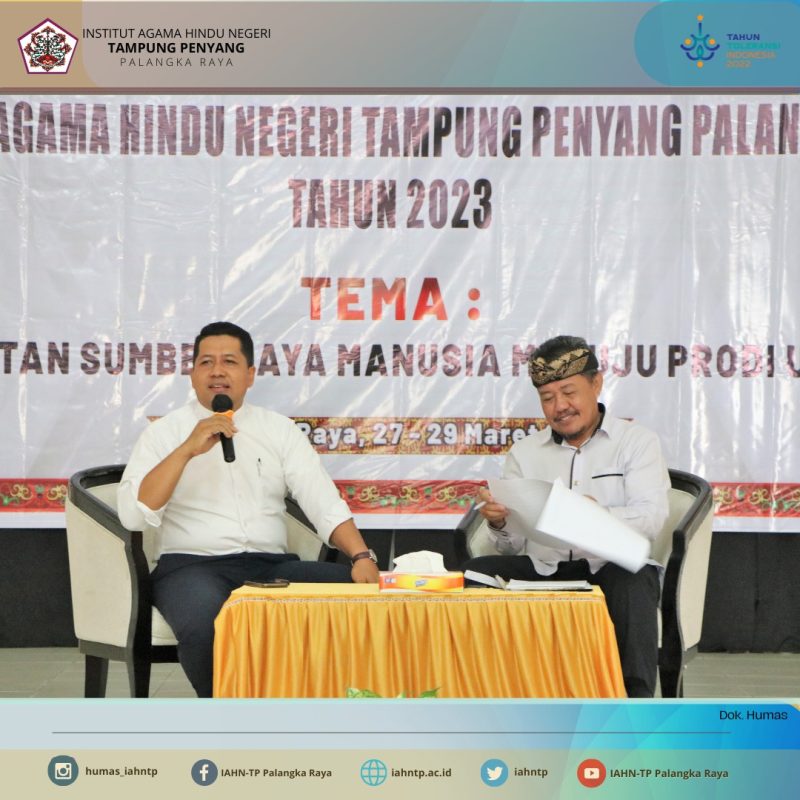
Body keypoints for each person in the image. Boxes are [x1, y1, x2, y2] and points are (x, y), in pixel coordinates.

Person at [117, 321, 379, 697]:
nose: (217, 371)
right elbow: (132, 515)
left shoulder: (279, 430)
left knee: (364, 598)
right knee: (206, 622)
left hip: (270, 567)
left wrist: (361, 556)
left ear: (250, 374)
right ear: (192, 375)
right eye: (206, 362)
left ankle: (328, 713)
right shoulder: (164, 433)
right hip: (191, 568)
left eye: (229, 362)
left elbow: (322, 500)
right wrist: (187, 449)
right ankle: (230, 721)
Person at [462, 335, 669, 697]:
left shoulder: (636, 442)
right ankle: (487, 697)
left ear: (596, 383)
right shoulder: (525, 453)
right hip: (547, 568)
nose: (559, 407)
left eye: (569, 393)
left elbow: (651, 519)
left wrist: (596, 515)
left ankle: (635, 707)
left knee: (634, 576)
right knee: (475, 574)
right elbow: (509, 547)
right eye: (547, 398)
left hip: (610, 566)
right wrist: (498, 522)